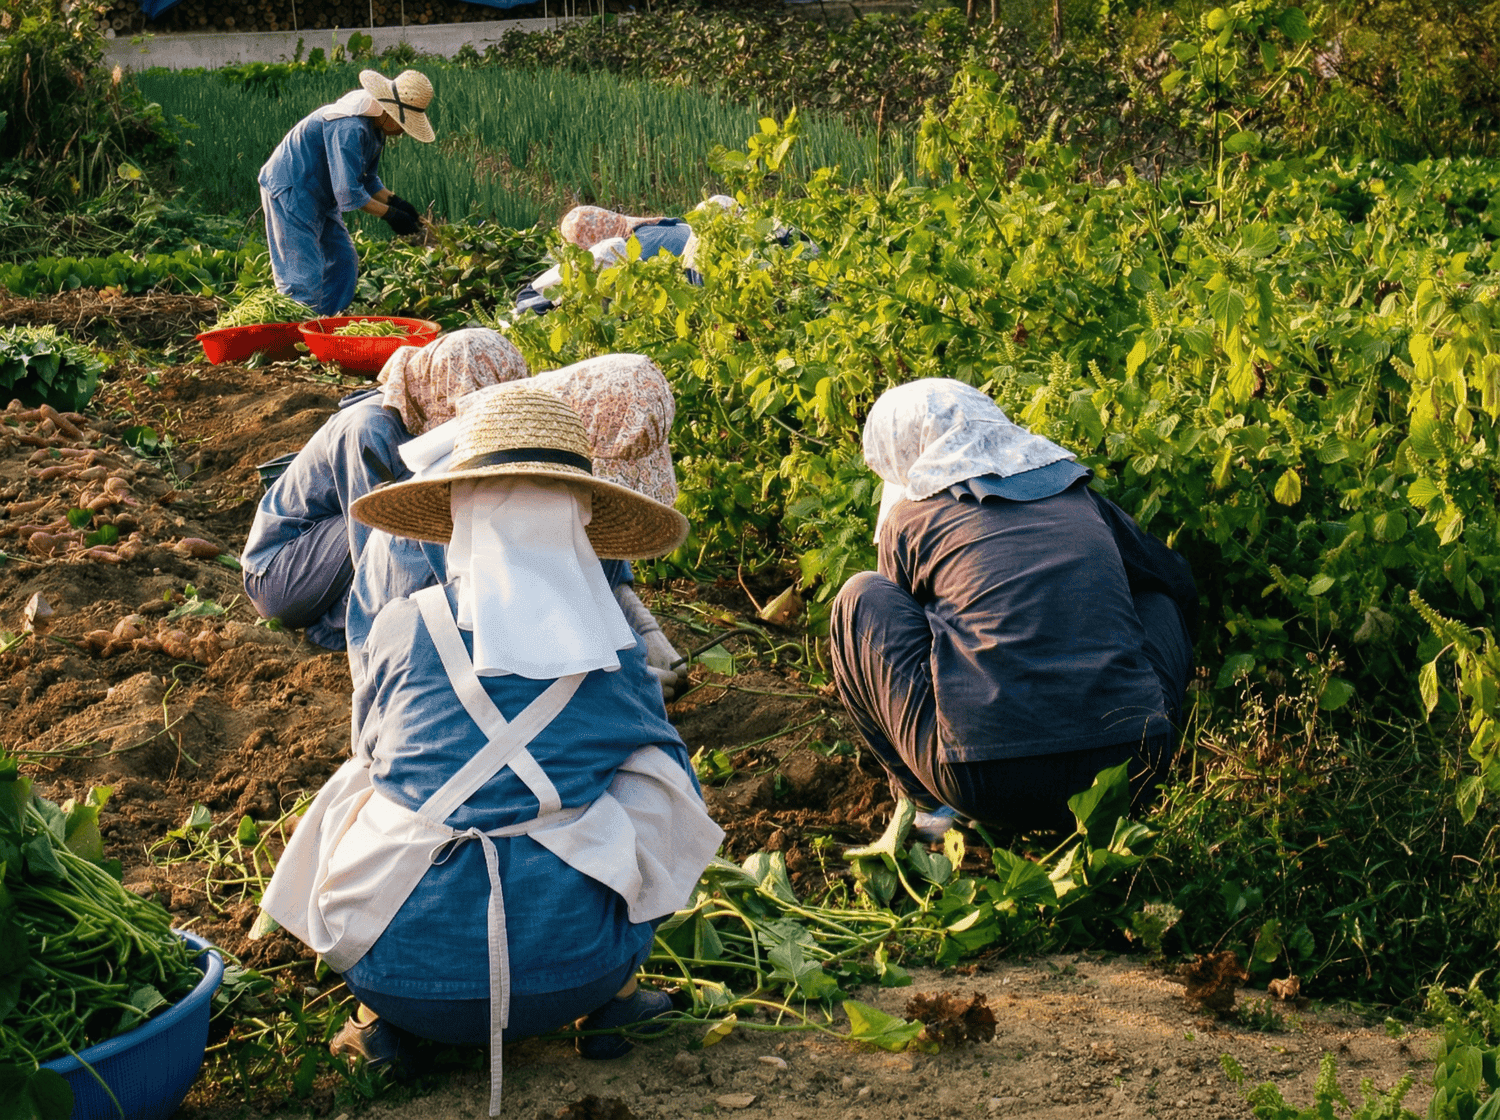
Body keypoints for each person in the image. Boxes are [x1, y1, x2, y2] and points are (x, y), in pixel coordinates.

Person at [258, 384, 722, 1116]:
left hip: (401, 972)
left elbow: (379, 755)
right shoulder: (614, 647)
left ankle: (385, 1023)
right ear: (580, 518)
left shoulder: (406, 627)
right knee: (659, 766)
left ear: (462, 513)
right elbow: (657, 766)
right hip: (580, 970)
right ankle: (619, 997)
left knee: (361, 783)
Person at [829, 378, 1197, 841]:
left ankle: (928, 808)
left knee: (859, 599)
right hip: (1132, 764)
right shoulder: (1079, 497)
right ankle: (1142, 768)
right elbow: (1175, 581)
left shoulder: (911, 519)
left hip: (987, 783)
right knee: (1159, 597)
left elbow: (908, 635)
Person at [345, 354, 688, 700]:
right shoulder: (468, 510)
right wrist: (626, 687)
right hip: (430, 674)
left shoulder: (560, 478)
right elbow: (489, 641)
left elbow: (600, 571)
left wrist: (647, 635)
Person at [240, 329, 528, 651]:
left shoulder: (417, 411)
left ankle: (339, 620)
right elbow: (377, 552)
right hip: (279, 575)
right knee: (399, 527)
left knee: (416, 531)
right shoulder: (371, 428)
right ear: (445, 388)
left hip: (328, 553)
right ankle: (336, 631)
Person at [258, 69, 435, 316]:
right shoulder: (349, 126)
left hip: (320, 193)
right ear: (389, 113)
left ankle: (327, 324)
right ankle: (296, 337)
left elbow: (369, 180)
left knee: (344, 262)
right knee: (303, 275)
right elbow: (348, 192)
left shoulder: (375, 129)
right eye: (403, 124)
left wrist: (399, 203)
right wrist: (392, 216)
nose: (404, 131)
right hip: (293, 189)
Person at [513, 197, 738, 316]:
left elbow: (528, 299)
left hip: (702, 291)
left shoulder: (614, 251)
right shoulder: (669, 224)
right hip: (730, 264)